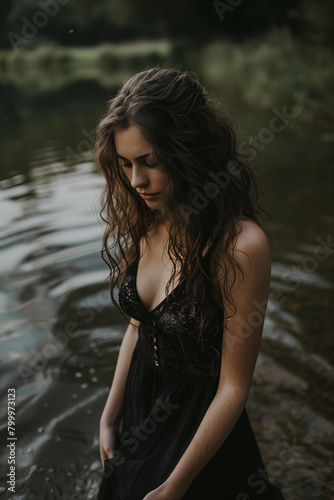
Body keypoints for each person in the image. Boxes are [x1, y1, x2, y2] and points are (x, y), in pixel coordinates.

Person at [95, 67, 286, 500]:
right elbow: (138, 324)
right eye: (125, 164)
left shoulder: (240, 246)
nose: (136, 181)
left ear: (187, 151)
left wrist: (177, 486)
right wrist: (110, 415)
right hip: (142, 402)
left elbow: (235, 387)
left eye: (150, 162)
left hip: (199, 422)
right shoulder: (148, 219)